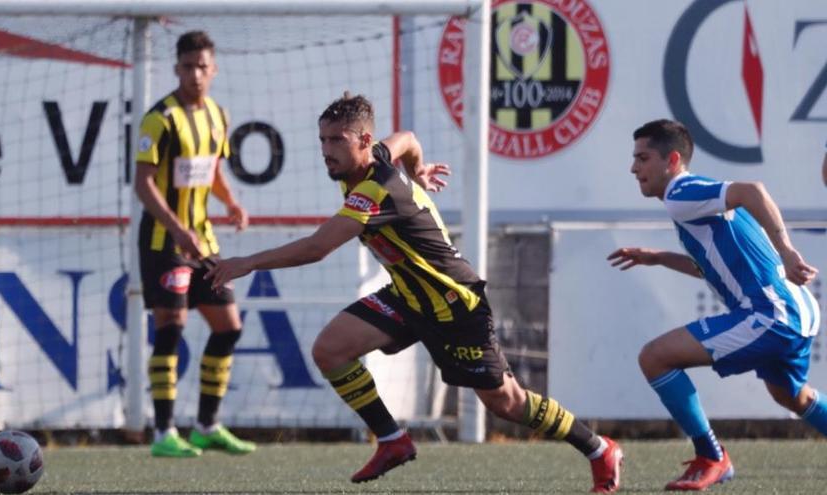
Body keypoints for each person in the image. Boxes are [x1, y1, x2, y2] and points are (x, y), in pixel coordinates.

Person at [206, 92, 623, 492]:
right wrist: (419, 169)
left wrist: (247, 262)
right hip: (406, 298)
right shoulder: (372, 160)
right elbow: (407, 138)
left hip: (454, 304)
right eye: (322, 139)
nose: (326, 150)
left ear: (364, 141)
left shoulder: (376, 187)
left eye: (337, 140)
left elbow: (318, 247)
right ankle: (392, 440)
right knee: (330, 350)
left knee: (507, 404)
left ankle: (600, 448)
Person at [608, 119, 826, 491]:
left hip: (771, 315)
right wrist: (659, 258)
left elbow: (752, 190)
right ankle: (713, 456)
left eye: (642, 158)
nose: (634, 168)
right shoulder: (698, 200)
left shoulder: (681, 193)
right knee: (792, 395)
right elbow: (712, 270)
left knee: (655, 357)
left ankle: (712, 456)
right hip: (798, 311)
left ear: (671, 160)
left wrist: (788, 250)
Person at [135, 30, 255, 458]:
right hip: (164, 241)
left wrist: (232, 202)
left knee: (228, 327)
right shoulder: (159, 118)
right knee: (172, 326)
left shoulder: (218, 115)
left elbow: (210, 170)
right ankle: (164, 432)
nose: (196, 74)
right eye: (188, 67)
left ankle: (206, 425)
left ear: (214, 69)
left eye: (203, 66)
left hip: (203, 238)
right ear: (176, 68)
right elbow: (143, 185)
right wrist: (176, 228)